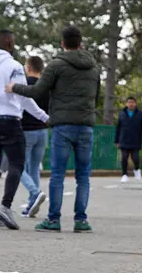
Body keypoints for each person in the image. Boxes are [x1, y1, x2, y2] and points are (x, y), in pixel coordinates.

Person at [8, 25, 100, 233]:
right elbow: (96, 96)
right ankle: (81, 220)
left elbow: (38, 91)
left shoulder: (57, 65)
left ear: (62, 43)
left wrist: (14, 88)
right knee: (83, 175)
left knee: (58, 174)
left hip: (63, 125)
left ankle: (54, 219)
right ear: (80, 43)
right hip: (86, 126)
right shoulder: (93, 68)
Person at [0, 29, 49, 230]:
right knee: (16, 163)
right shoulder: (14, 66)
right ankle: (5, 207)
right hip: (10, 120)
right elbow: (23, 97)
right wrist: (43, 116)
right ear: (9, 44)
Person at [18, 56, 49, 218]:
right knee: (34, 168)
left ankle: (35, 193)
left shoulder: (23, 85)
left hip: (25, 130)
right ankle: (32, 204)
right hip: (43, 130)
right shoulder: (46, 87)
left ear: (28, 68)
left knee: (17, 166)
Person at [115, 97, 142, 183]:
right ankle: (124, 175)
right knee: (124, 157)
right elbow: (118, 128)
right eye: (129, 102)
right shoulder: (122, 114)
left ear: (135, 103)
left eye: (132, 102)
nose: (131, 104)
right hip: (124, 139)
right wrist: (116, 140)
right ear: (126, 104)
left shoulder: (141, 114)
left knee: (135, 158)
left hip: (135, 140)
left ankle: (137, 169)